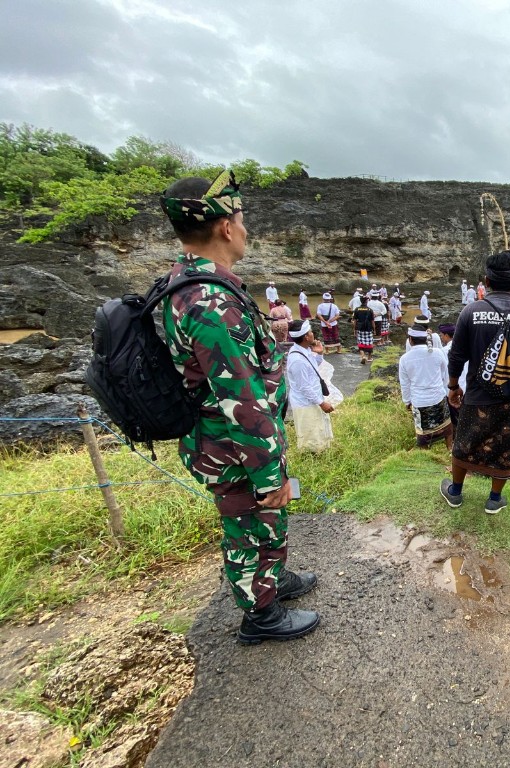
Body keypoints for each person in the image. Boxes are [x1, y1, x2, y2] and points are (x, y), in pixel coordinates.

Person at [158, 172, 318, 645]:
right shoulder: (210, 301)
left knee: (264, 518)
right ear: (226, 227)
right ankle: (260, 616)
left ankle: (274, 579)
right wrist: (270, 472)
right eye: (241, 219)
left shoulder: (196, 283)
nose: (245, 229)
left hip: (236, 442)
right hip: (233, 445)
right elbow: (242, 398)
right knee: (248, 521)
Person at [441, 250, 510, 514]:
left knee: (465, 441)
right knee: (506, 447)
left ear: (486, 281)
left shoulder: (471, 312)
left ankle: (455, 491)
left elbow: (456, 355)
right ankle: (494, 498)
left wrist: (453, 387)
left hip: (478, 393)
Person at [400, 327, 454, 449]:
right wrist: (446, 390)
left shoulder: (405, 359)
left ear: (410, 340)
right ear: (426, 340)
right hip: (438, 396)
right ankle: (449, 448)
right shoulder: (437, 352)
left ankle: (424, 451)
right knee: (446, 425)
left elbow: (405, 383)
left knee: (422, 430)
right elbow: (445, 374)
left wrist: (407, 401)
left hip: (419, 400)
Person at [285, 320, 334, 452]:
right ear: (306, 337)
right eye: (310, 332)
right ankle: (312, 459)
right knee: (310, 437)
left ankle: (321, 455)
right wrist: (321, 403)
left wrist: (319, 353)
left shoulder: (303, 350)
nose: (313, 334)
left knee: (318, 431)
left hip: (312, 400)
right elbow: (304, 386)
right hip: (305, 403)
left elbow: (313, 369)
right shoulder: (297, 360)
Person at [352, 294, 376, 364]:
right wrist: (374, 330)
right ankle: (369, 357)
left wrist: (354, 330)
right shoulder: (370, 310)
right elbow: (372, 321)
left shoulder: (357, 309)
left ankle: (363, 356)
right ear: (366, 301)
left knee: (361, 343)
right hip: (368, 328)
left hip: (360, 328)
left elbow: (355, 321)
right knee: (369, 343)